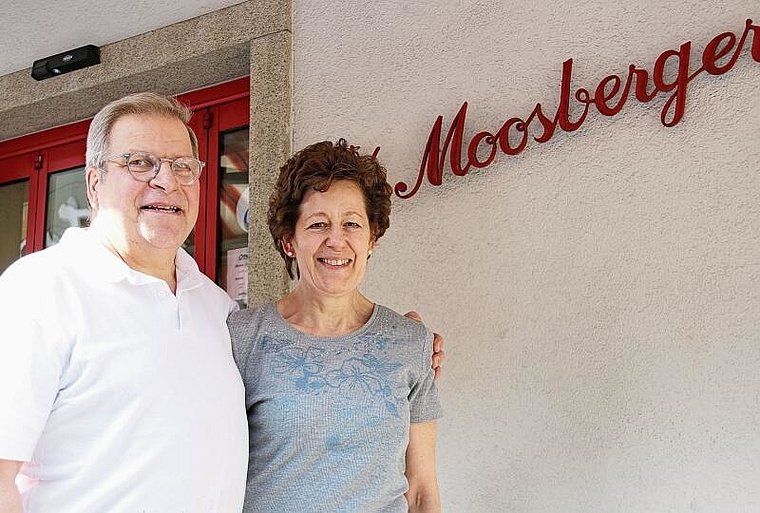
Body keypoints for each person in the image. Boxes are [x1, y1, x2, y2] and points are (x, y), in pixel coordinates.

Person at [0, 94, 444, 512]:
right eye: (140, 163)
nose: (165, 180)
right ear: (94, 183)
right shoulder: (41, 290)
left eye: (182, 166)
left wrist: (408, 347)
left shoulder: (214, 308)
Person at [228, 139, 442, 512]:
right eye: (318, 224)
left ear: (372, 238)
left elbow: (422, 490)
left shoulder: (412, 343)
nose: (336, 240)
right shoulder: (242, 338)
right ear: (289, 241)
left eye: (352, 224)